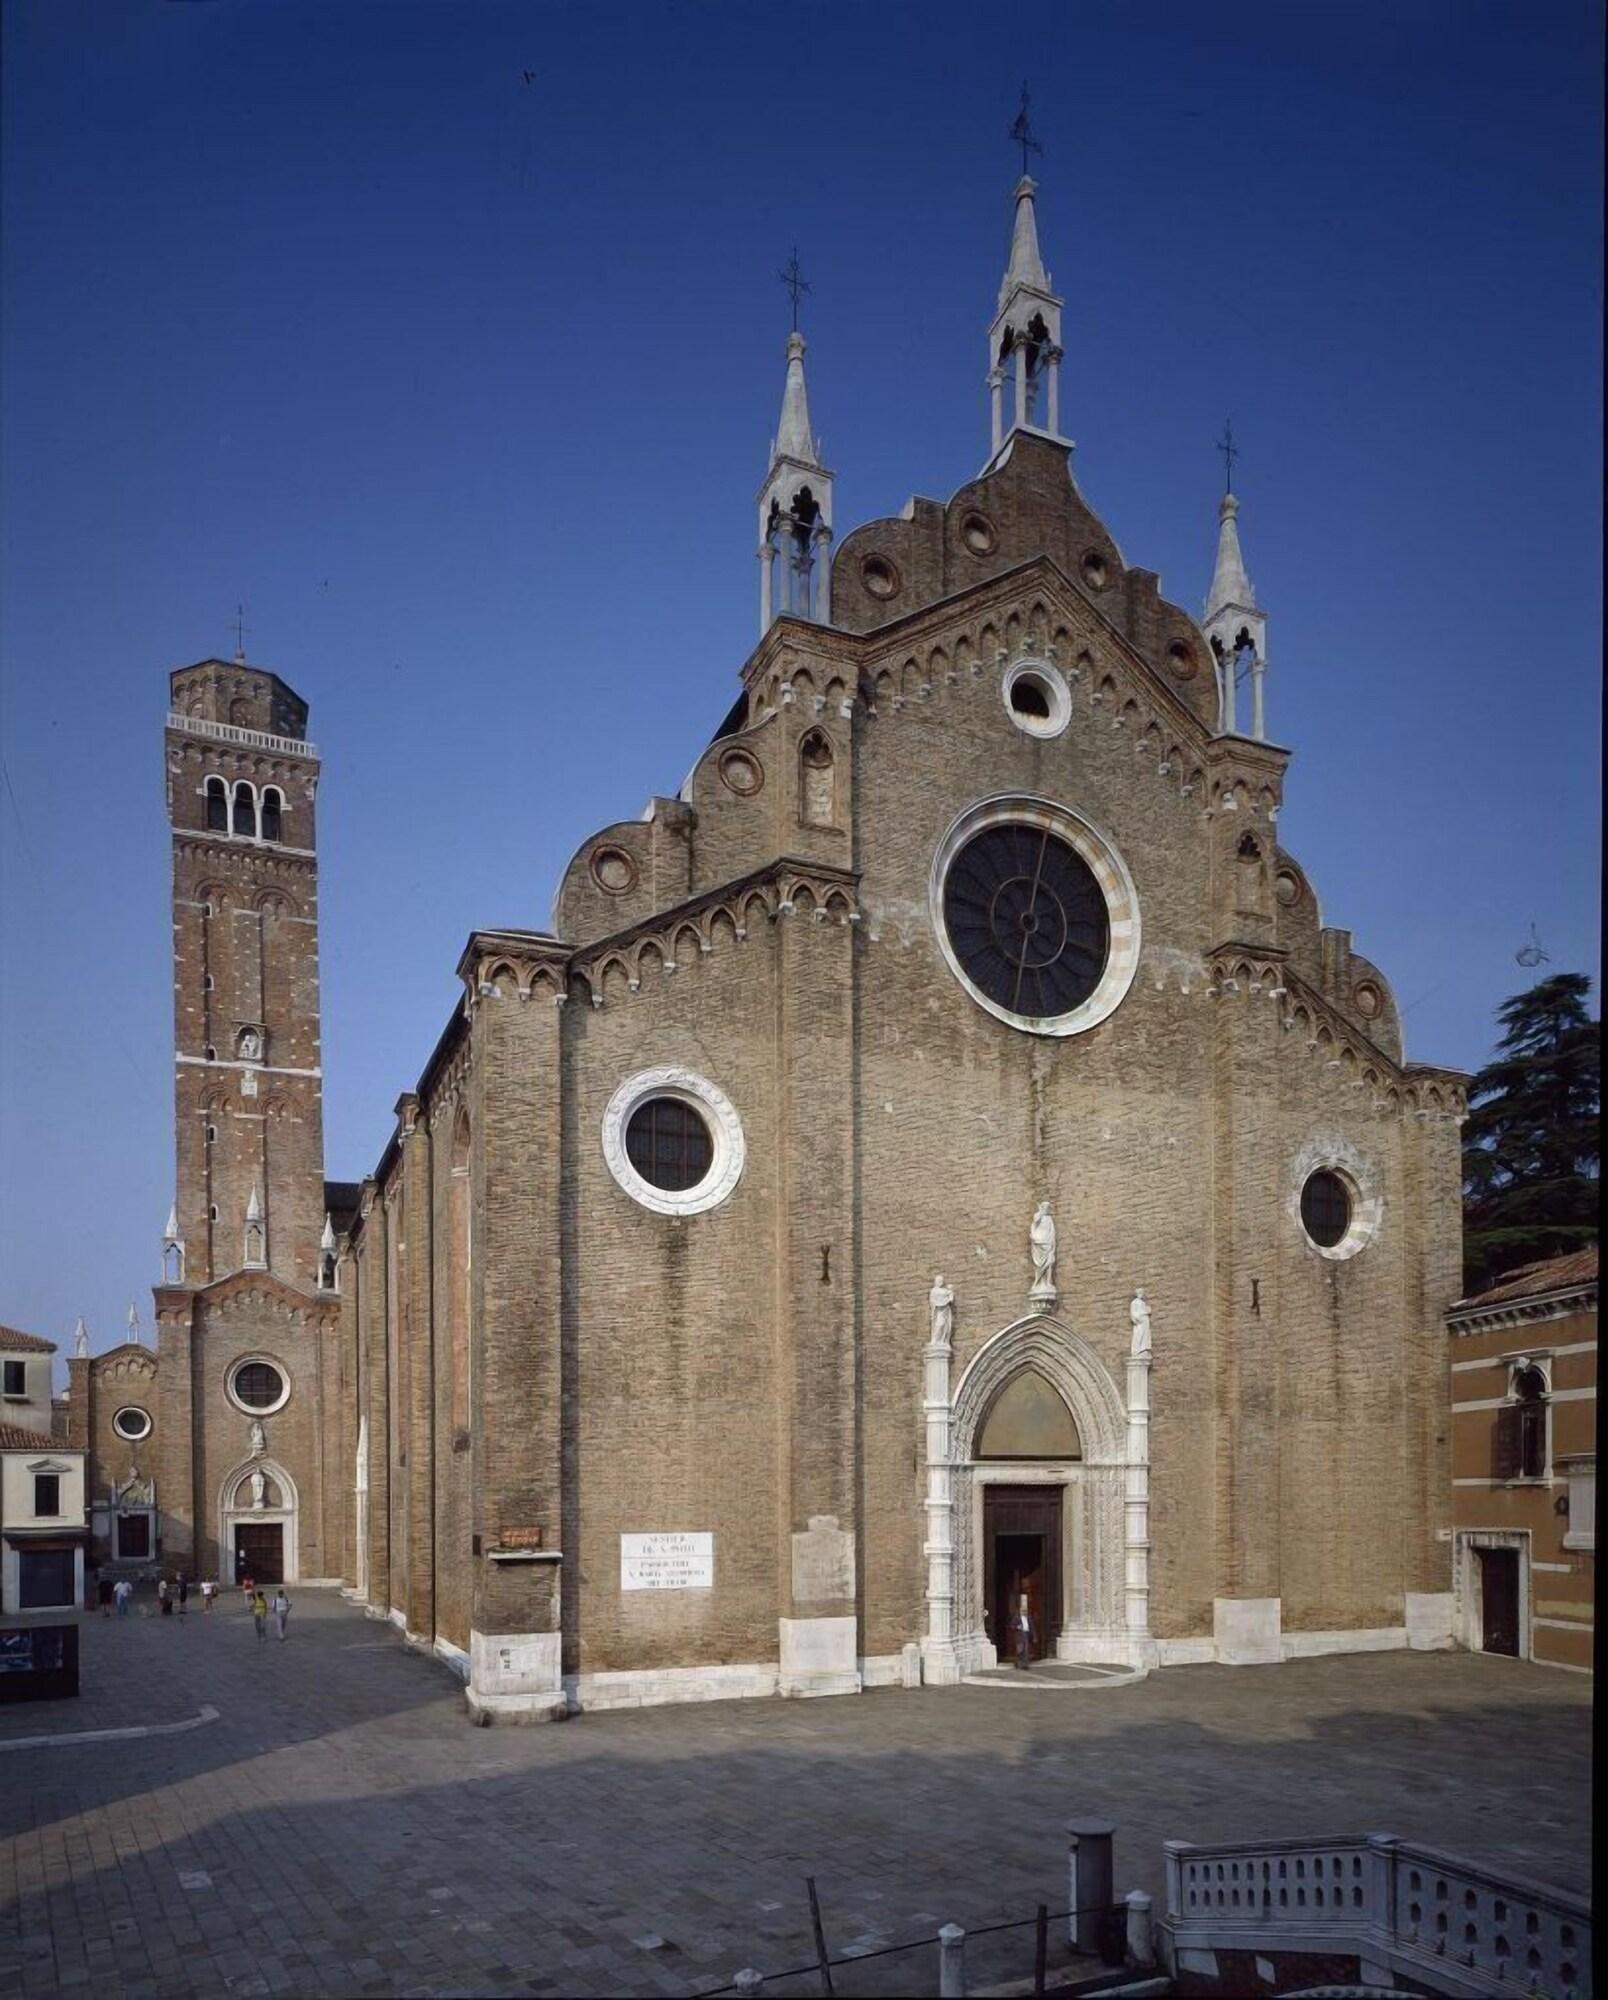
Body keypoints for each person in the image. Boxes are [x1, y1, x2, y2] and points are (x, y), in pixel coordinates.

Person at [1011, 1593, 1035, 1672]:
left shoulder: (1029, 1618)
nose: (1024, 1612)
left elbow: (1032, 1627)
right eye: (1023, 1611)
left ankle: (1025, 1665)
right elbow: (1012, 1626)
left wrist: (1034, 1636)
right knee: (1020, 1650)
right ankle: (1017, 1663)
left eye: (1025, 1611)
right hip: (1019, 1635)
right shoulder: (1016, 1618)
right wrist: (1017, 1627)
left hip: (1026, 1635)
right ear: (1020, 1611)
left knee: (1026, 1650)